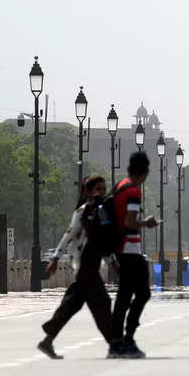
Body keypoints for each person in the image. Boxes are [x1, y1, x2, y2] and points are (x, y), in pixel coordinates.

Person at [38, 175, 117, 359]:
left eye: (104, 189)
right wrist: (55, 259)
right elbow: (68, 235)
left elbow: (103, 242)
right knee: (101, 303)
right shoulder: (82, 212)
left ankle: (48, 338)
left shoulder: (101, 212)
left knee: (73, 303)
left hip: (92, 266)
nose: (101, 192)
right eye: (98, 189)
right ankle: (114, 344)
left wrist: (113, 262)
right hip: (84, 265)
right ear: (88, 192)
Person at [109, 152, 158, 359]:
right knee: (142, 294)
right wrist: (146, 223)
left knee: (123, 297)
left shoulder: (119, 186)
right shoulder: (133, 192)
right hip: (129, 250)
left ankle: (117, 342)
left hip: (120, 249)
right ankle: (126, 339)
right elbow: (129, 222)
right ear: (145, 172)